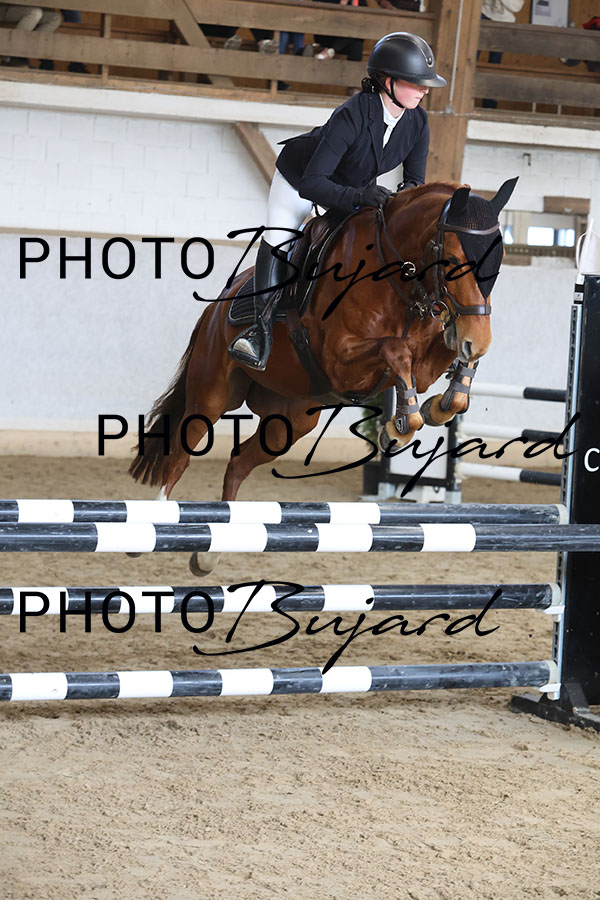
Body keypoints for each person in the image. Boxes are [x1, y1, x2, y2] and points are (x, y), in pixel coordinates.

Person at [228, 32, 446, 371]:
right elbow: (313, 183)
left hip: (355, 187)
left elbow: (414, 182)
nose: (425, 90)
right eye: (416, 82)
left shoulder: (417, 121)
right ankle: (260, 332)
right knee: (280, 239)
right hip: (301, 179)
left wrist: (402, 206)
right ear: (388, 82)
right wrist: (359, 197)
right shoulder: (353, 114)